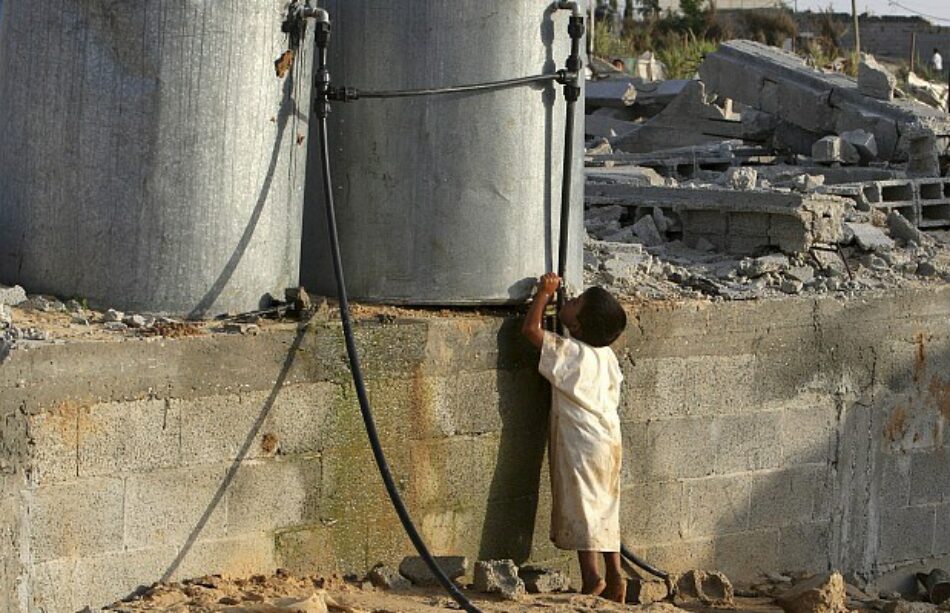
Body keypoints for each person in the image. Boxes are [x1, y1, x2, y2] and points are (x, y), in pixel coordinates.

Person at [521, 273, 628, 603]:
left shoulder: (571, 354)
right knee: (605, 510)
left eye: (575, 303)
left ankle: (592, 578)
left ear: (578, 327)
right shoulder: (606, 356)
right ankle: (614, 573)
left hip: (582, 442)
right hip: (609, 439)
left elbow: (530, 331)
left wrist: (543, 294)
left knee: (583, 509)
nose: (570, 299)